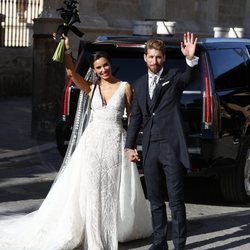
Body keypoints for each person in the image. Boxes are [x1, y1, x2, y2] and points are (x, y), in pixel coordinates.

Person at [0, 34, 152, 250]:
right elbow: (71, 73)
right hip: (91, 144)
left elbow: (133, 118)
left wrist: (131, 146)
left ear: (111, 64)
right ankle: (96, 241)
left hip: (114, 144)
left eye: (105, 65)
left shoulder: (125, 87)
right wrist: (68, 48)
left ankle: (108, 234)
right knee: (92, 191)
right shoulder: (91, 89)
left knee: (108, 192)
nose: (103, 70)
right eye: (98, 67)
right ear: (95, 70)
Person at [125, 32, 198, 250]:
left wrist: (190, 60)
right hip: (149, 147)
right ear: (145, 58)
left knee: (175, 200)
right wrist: (130, 146)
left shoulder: (174, 77)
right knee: (155, 200)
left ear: (163, 58)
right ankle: (159, 242)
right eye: (151, 57)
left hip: (170, 147)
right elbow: (136, 117)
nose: (154, 61)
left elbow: (188, 78)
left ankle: (179, 245)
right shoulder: (138, 84)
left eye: (158, 57)